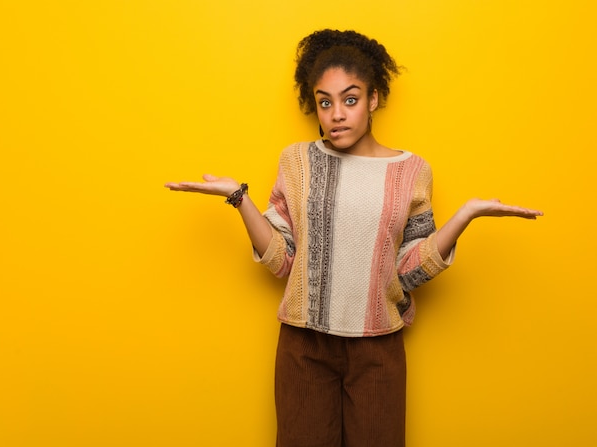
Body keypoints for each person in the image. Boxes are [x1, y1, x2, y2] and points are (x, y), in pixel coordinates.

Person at [165, 29, 543, 447]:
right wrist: (240, 199)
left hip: (378, 349)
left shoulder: (412, 171)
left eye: (350, 99)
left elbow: (409, 269)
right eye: (325, 102)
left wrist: (465, 216)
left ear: (374, 98)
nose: (336, 114)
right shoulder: (297, 161)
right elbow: (282, 260)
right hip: (303, 345)